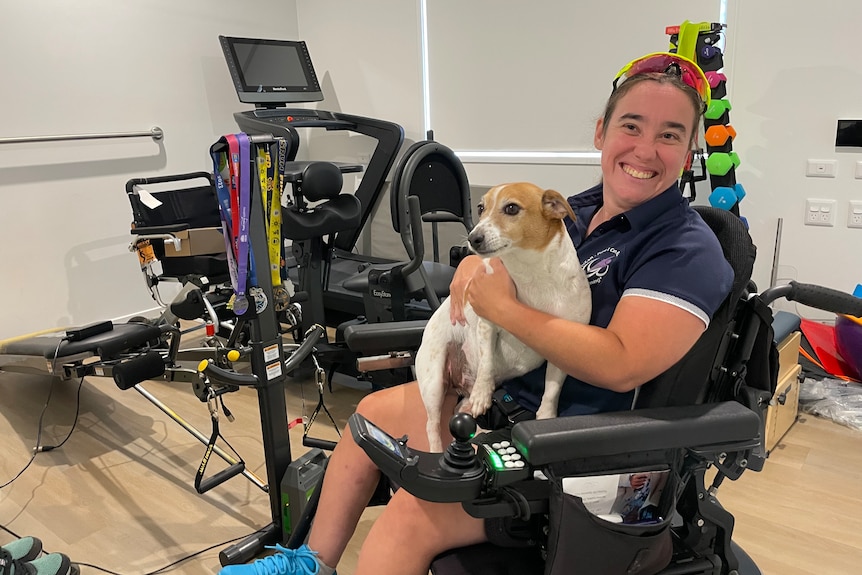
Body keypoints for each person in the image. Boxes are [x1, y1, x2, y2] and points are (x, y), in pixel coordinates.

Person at [219, 51, 735, 575]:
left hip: (582, 444)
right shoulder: (575, 211)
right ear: (602, 132)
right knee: (366, 423)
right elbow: (501, 254)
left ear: (691, 150)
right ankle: (311, 563)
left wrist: (502, 308)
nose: (646, 149)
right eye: (632, 125)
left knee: (409, 517)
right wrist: (473, 269)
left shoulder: (684, 250)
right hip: (509, 403)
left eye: (670, 135)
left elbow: (623, 362)